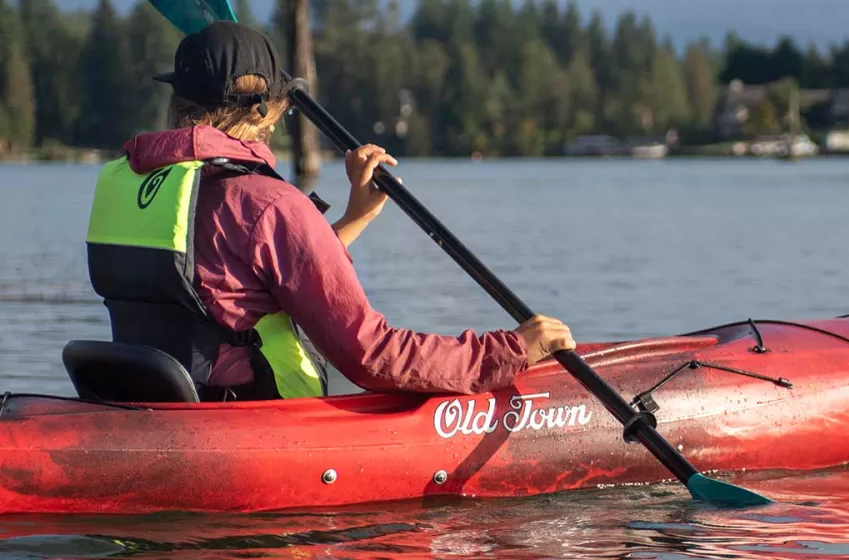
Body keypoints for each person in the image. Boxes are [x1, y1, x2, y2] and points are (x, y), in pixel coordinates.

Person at [84, 21, 571, 401]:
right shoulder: (267, 203)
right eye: (279, 110)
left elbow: (229, 285)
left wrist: (356, 217)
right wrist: (509, 352)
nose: (277, 124)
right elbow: (370, 355)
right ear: (259, 110)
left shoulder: (136, 183)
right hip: (254, 416)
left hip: (157, 403)